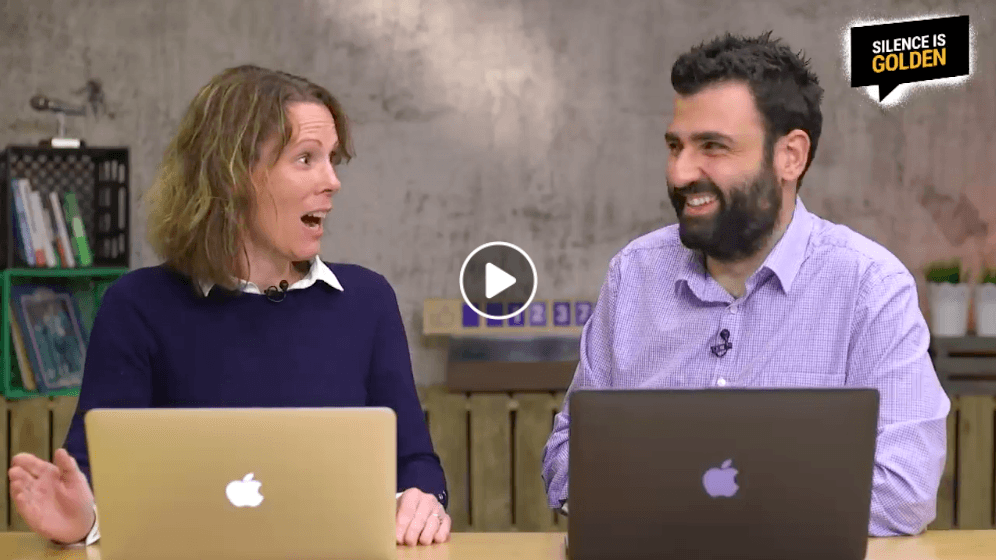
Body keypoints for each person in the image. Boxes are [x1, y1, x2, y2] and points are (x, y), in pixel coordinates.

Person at [7, 65, 451, 547]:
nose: (332, 181)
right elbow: (91, 475)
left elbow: (416, 463)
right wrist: (79, 520)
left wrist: (423, 499)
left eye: (333, 160)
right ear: (233, 175)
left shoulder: (368, 301)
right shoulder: (136, 306)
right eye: (306, 158)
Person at [541, 31, 950, 537]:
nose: (680, 173)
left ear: (790, 156)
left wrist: (683, 503)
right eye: (675, 146)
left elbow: (904, 491)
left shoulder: (871, 287)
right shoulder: (634, 275)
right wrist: (748, 501)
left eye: (712, 146)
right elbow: (567, 458)